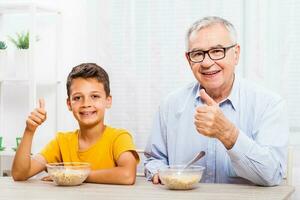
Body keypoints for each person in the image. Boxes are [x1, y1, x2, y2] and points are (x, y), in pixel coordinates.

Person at [144, 16, 289, 186]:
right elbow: (154, 160)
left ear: (236, 54)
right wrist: (158, 172)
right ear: (188, 60)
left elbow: (271, 176)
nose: (206, 62)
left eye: (217, 51)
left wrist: (228, 133)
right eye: (198, 54)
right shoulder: (171, 104)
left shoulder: (269, 104)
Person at [12, 63, 139, 185]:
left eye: (94, 96)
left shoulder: (119, 137)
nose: (86, 104)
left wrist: (73, 175)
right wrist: (29, 130)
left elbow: (127, 175)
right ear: (69, 104)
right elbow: (20, 174)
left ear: (108, 101)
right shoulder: (62, 142)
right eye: (78, 98)